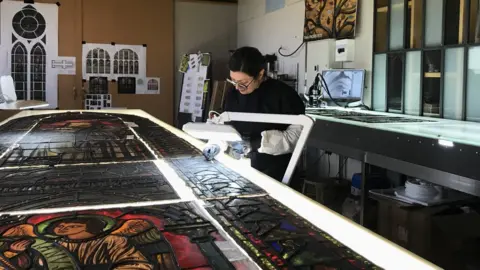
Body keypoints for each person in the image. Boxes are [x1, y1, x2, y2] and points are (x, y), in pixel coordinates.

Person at [223, 46, 305, 189]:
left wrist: (256, 143)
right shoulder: (233, 94)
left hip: (276, 174)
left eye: (243, 83)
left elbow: (297, 136)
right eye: (233, 81)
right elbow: (226, 124)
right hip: (240, 170)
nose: (237, 87)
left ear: (260, 74)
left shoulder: (284, 94)